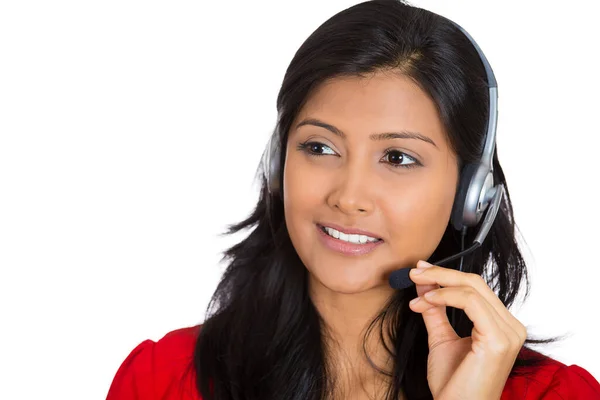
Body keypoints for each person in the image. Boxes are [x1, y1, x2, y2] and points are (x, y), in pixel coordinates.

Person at [106, 1, 600, 399]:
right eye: (320, 147)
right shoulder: (163, 380)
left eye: (398, 158)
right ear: (279, 164)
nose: (349, 196)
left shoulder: (557, 394)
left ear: (470, 193)